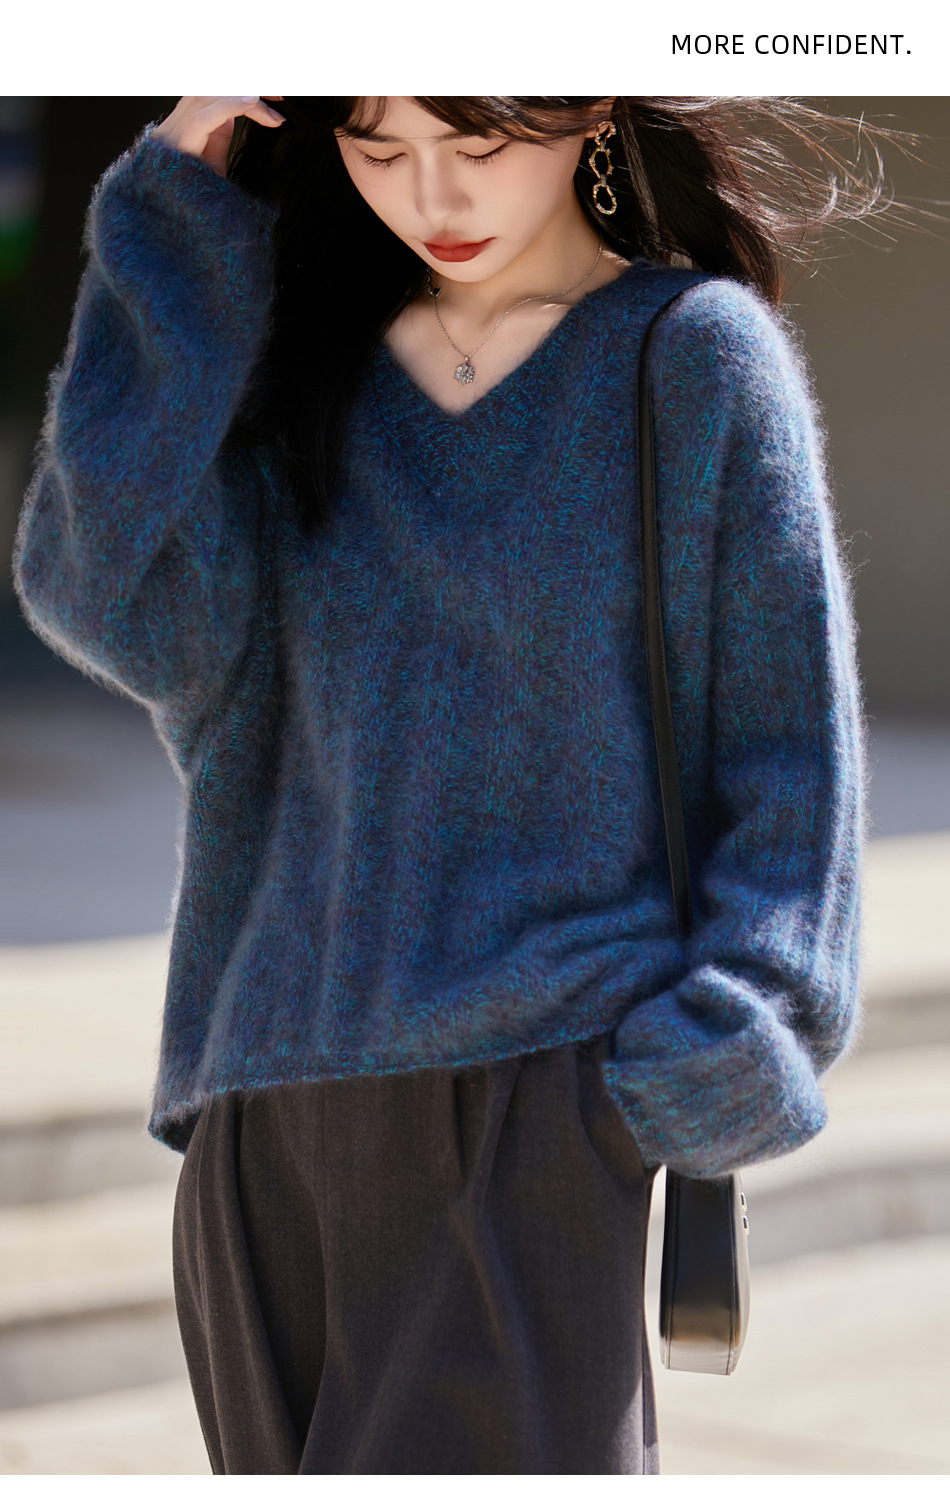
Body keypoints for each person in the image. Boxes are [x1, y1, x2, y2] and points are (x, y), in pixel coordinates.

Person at [12, 93, 874, 1474]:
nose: (433, 197)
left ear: (587, 111)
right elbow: (92, 586)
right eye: (376, 148)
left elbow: (787, 758)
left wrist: (715, 1042)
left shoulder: (690, 359)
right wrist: (172, 202)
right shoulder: (297, 367)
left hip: (541, 1097)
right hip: (269, 1113)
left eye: (477, 144)